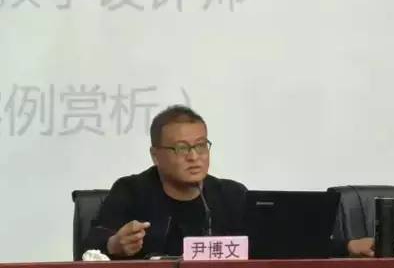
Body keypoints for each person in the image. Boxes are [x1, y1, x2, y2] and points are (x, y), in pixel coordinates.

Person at [84, 105, 374, 259]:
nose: (194, 157)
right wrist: (113, 244)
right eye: (182, 148)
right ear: (155, 155)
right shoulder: (132, 191)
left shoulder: (230, 194)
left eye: (201, 145)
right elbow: (89, 243)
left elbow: (278, 245)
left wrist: (347, 247)